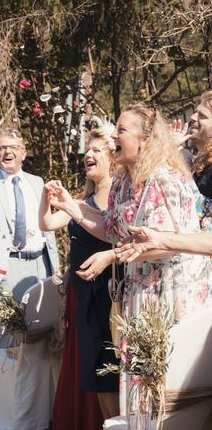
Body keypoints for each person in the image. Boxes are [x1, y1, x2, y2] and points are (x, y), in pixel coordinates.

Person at [46, 102, 212, 415]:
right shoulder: (124, 182)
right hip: (137, 296)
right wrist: (71, 206)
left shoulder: (165, 179)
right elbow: (111, 229)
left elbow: (171, 242)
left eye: (121, 130)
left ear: (145, 140)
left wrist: (113, 257)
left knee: (166, 397)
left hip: (169, 298)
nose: (114, 137)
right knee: (138, 397)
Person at [0, 127, 60, 430]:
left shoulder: (37, 183)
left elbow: (49, 232)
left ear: (23, 151)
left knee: (43, 340)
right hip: (7, 268)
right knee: (12, 344)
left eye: (13, 147)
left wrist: (55, 271)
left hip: (40, 268)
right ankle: (9, 414)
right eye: (1, 147)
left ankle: (41, 412)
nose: (7, 152)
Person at [39, 127, 119, 426]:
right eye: (88, 150)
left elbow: (113, 234)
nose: (88, 154)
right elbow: (48, 222)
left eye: (97, 150)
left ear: (113, 157)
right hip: (80, 292)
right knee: (87, 367)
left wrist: (74, 208)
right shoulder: (83, 197)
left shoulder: (117, 194)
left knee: (105, 366)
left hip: (105, 292)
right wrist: (46, 196)